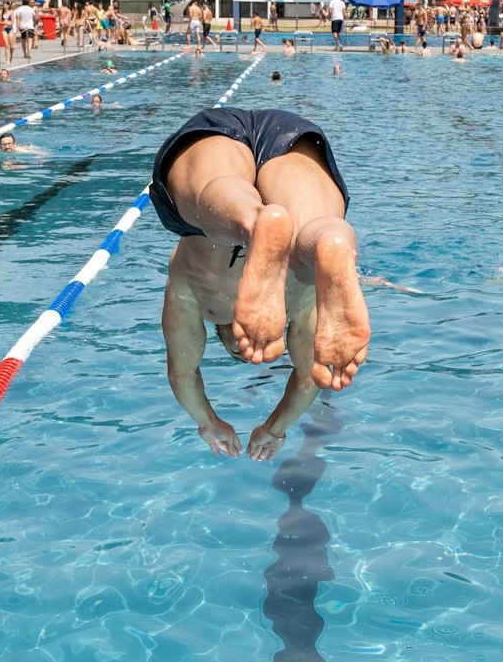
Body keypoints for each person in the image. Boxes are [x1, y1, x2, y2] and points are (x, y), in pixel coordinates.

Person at [154, 108, 370, 460]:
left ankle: (306, 235)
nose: (250, 346)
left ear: (226, 331)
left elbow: (308, 375)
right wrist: (266, 428)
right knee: (216, 200)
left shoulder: (285, 306)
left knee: (305, 248)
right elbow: (182, 372)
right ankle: (267, 226)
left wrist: (219, 423)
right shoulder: (200, 299)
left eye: (240, 346)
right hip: (259, 142)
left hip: (275, 139)